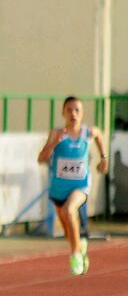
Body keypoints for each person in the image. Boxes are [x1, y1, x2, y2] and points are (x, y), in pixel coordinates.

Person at [37, 96, 108, 275]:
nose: (73, 114)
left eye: (77, 110)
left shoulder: (87, 133)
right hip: (58, 189)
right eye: (69, 110)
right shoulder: (56, 133)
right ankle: (80, 245)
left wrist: (103, 158)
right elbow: (41, 159)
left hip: (80, 186)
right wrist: (54, 143)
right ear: (63, 113)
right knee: (69, 230)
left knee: (70, 211)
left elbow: (99, 135)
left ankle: (76, 255)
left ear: (82, 113)